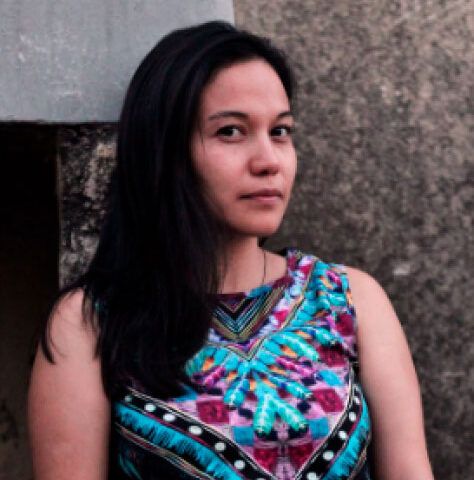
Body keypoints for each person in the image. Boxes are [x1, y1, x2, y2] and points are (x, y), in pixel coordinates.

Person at [28, 21, 434, 480]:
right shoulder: (91, 323)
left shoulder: (349, 300)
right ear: (165, 150)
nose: (268, 161)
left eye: (280, 131)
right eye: (231, 132)